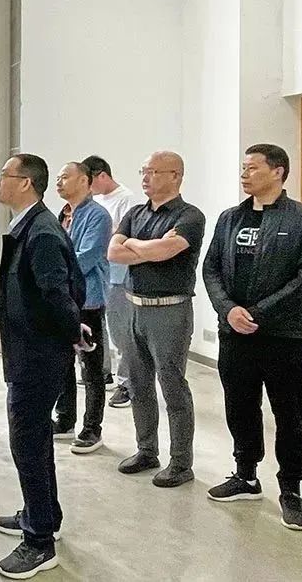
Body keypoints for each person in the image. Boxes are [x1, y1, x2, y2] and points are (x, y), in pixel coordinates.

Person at [202, 144, 302, 531]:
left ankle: (291, 489)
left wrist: (257, 313)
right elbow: (211, 268)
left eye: (253, 168)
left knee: (290, 416)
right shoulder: (230, 218)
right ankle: (245, 475)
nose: (245, 174)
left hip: (284, 336)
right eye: (243, 168)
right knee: (240, 407)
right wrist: (228, 310)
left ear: (278, 172)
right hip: (235, 334)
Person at [0, 154, 86, 579]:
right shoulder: (30, 224)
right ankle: (42, 514)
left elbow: (59, 293)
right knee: (34, 439)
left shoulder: (42, 231)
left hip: (37, 355)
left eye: (4, 176)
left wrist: (72, 333)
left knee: (27, 442)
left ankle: (39, 542)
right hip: (30, 351)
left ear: (26, 183)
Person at [108, 151, 206, 488]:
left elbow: (165, 252)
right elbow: (113, 252)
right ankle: (147, 450)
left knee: (172, 385)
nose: (145, 177)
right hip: (134, 307)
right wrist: (147, 246)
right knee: (138, 385)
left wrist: (135, 244)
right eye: (143, 171)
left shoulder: (189, 216)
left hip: (170, 311)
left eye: (153, 171)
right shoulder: (135, 212)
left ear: (176, 175)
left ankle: (181, 463)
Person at [53, 162, 112, 454]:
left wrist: (53, 270)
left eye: (65, 177)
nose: (58, 182)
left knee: (91, 367)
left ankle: (92, 428)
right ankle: (65, 420)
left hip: (88, 300)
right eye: (58, 178)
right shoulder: (62, 214)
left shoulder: (98, 215)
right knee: (63, 362)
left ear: (84, 181)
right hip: (64, 297)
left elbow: (86, 257)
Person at [83, 155, 138, 409]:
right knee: (99, 325)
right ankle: (103, 371)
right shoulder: (94, 200)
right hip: (100, 272)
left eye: (90, 181)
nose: (88, 187)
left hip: (119, 272)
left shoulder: (126, 199)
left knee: (120, 329)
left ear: (102, 176)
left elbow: (125, 237)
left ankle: (127, 383)